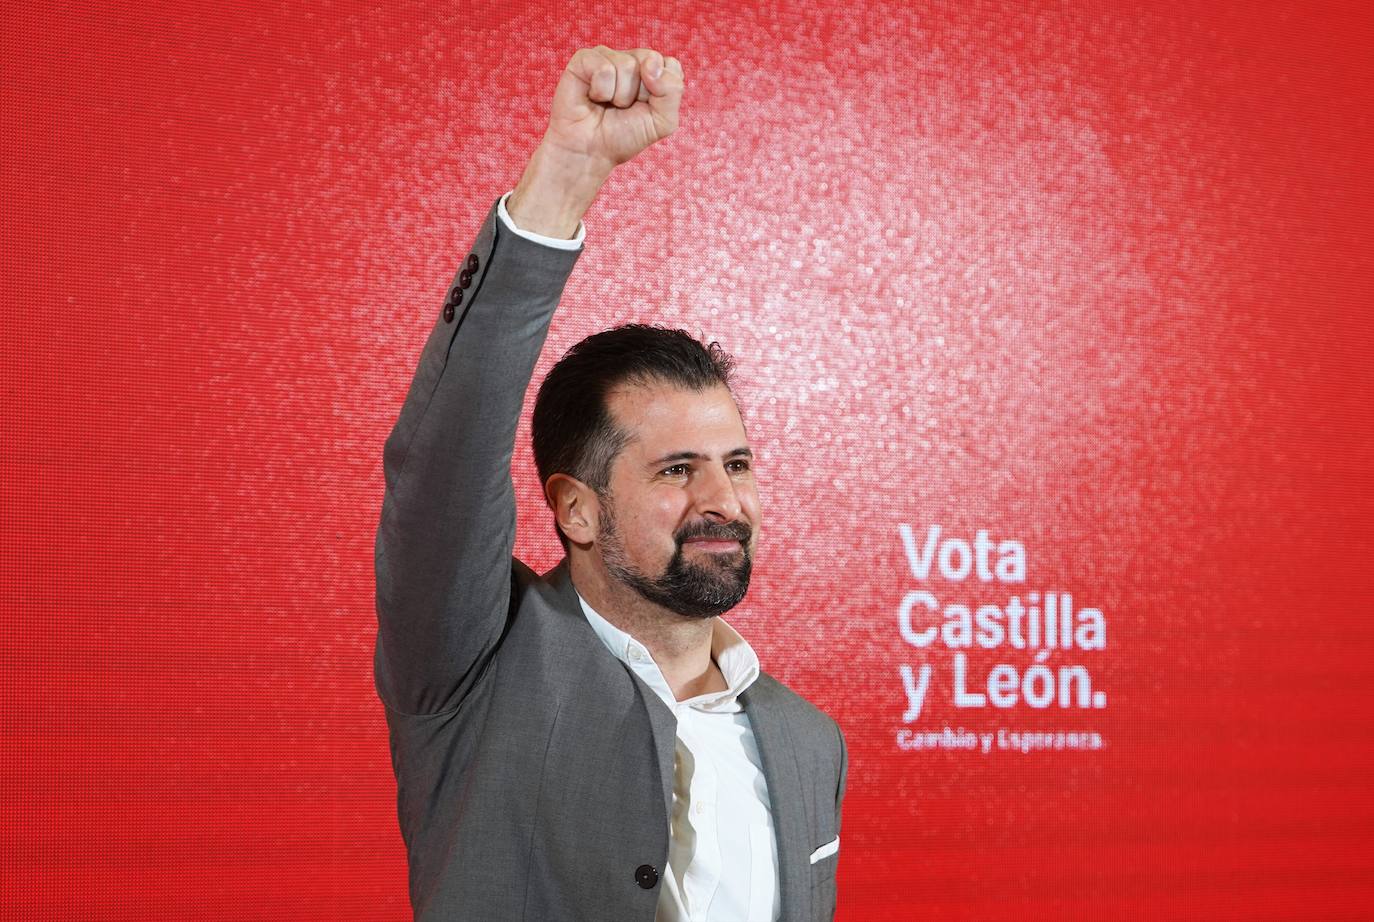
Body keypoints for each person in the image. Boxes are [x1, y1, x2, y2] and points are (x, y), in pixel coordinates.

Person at [374, 46, 847, 922]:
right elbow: (443, 462)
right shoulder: (476, 668)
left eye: (735, 464)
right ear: (576, 509)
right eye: (677, 469)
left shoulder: (809, 742)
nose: (723, 502)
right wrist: (564, 181)